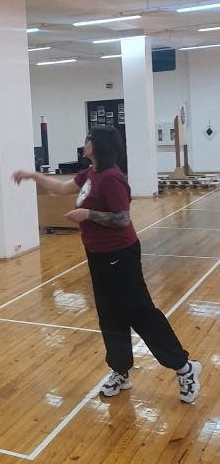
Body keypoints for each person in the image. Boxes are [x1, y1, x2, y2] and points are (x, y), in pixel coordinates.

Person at [12, 126, 201, 402]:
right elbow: (63, 188)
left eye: (88, 139)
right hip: (97, 254)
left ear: (98, 145)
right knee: (109, 314)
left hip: (120, 254)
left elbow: (122, 218)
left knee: (140, 313)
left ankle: (184, 368)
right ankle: (120, 371)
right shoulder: (90, 173)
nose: (84, 143)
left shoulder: (112, 178)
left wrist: (87, 214)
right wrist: (32, 175)